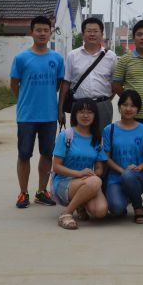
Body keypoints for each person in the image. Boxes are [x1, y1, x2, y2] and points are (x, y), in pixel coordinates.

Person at [9, 15, 65, 209]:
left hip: (49, 116)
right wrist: (25, 100)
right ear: (31, 32)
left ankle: (41, 192)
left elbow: (58, 84)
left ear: (50, 33)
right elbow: (14, 84)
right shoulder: (21, 58)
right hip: (27, 116)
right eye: (38, 30)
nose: (42, 33)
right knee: (24, 154)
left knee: (47, 154)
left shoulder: (57, 59)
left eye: (46, 30)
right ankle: (23, 192)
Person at [52, 98, 109, 230]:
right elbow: (56, 166)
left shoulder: (97, 139)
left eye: (89, 112)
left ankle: (80, 204)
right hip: (64, 182)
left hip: (87, 181)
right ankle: (66, 213)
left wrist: (93, 174)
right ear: (75, 114)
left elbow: (99, 168)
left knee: (100, 211)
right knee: (95, 182)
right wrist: (79, 173)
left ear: (95, 115)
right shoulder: (66, 136)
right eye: (81, 112)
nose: (85, 115)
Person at [59, 17, 117, 135]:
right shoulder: (72, 55)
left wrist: (105, 100)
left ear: (102, 34)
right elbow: (66, 83)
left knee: (102, 140)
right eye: (89, 31)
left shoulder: (111, 56)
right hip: (79, 106)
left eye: (96, 31)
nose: (92, 34)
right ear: (83, 34)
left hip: (102, 106)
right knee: (78, 139)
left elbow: (115, 83)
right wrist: (60, 110)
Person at [103, 90, 143, 223]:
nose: (128, 109)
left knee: (128, 177)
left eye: (132, 106)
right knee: (116, 208)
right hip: (115, 177)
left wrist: (139, 167)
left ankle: (138, 206)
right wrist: (122, 171)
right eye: (125, 105)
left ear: (138, 109)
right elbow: (106, 158)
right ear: (119, 106)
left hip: (138, 176)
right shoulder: (109, 129)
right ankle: (128, 196)